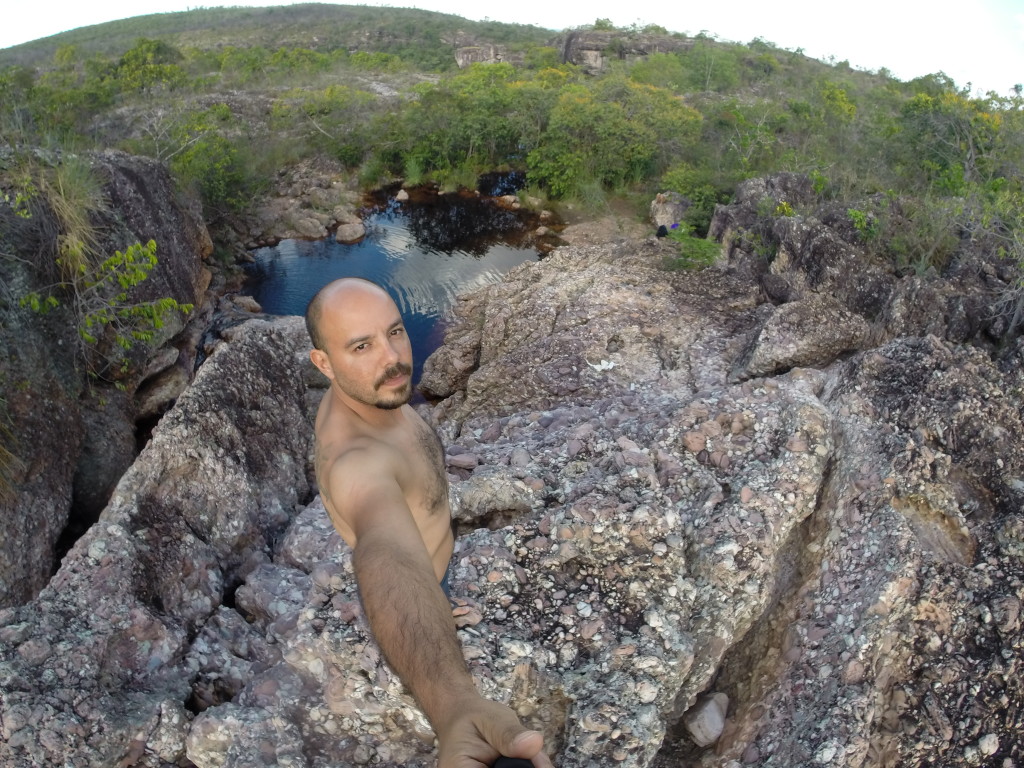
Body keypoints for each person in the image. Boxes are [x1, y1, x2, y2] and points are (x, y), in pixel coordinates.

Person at [306, 278, 552, 768]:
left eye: (395, 332)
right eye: (361, 346)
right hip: (425, 579)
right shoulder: (356, 462)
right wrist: (455, 708)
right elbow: (389, 554)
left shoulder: (375, 396)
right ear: (324, 364)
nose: (392, 357)